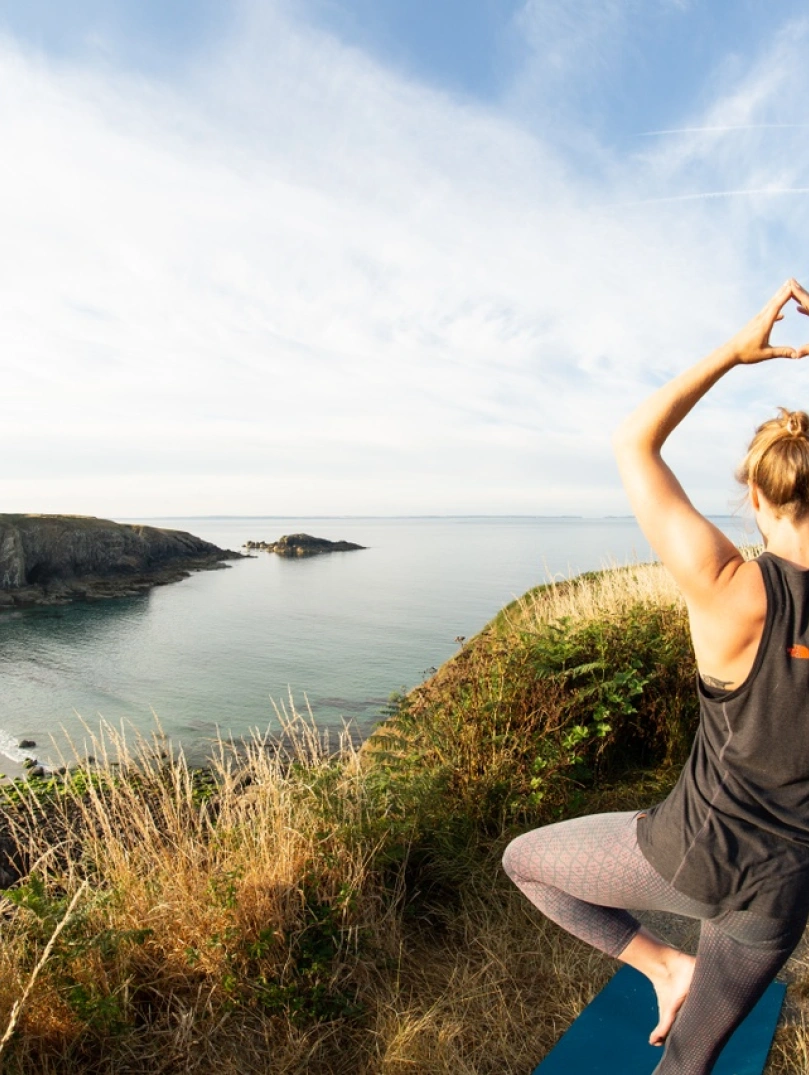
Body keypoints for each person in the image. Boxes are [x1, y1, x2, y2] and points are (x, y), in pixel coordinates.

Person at [502, 279, 809, 1075]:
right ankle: (679, 976)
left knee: (525, 861)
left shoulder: (732, 589)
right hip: (780, 894)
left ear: (752, 495)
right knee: (686, 1065)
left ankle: (662, 965)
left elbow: (633, 442)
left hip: (688, 853)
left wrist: (737, 354)